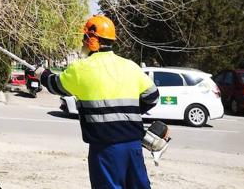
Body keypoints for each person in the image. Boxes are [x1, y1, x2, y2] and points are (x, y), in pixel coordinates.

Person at [36, 15, 159, 189]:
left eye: (85, 39)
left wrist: (42, 73)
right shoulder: (130, 66)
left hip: (104, 149)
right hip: (133, 146)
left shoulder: (81, 69)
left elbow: (55, 84)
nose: (83, 43)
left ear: (92, 41)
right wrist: (131, 113)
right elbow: (152, 95)